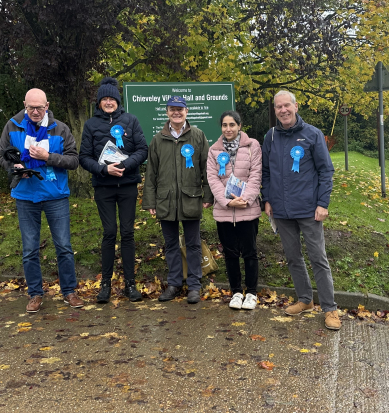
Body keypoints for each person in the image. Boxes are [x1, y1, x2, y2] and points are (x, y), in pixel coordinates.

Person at [0, 88, 83, 314]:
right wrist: (14, 168)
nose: (35, 112)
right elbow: (2, 157)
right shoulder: (12, 126)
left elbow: (74, 161)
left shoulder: (61, 129)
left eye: (40, 107)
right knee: (29, 249)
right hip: (26, 196)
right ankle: (35, 294)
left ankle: (69, 291)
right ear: (24, 105)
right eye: (31, 107)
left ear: (47, 105)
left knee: (64, 247)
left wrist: (48, 158)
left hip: (55, 195)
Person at [261, 90, 341, 330]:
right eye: (278, 107)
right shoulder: (271, 136)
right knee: (293, 257)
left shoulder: (313, 135)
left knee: (318, 258)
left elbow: (326, 171)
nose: (283, 110)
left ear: (296, 107)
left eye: (287, 106)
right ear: (274, 111)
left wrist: (323, 203)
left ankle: (330, 308)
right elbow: (266, 171)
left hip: (309, 209)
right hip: (282, 210)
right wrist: (267, 199)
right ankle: (305, 300)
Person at [80, 77, 149, 303]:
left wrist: (126, 165)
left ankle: (130, 284)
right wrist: (103, 170)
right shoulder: (90, 125)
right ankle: (106, 284)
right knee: (109, 232)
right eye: (104, 99)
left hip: (128, 185)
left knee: (127, 233)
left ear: (118, 101)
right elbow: (84, 157)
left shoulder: (131, 120)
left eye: (112, 99)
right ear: (99, 102)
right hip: (104, 187)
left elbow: (142, 149)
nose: (108, 102)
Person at [141, 95, 213, 304]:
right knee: (171, 244)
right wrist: (150, 201)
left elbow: (207, 168)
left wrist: (207, 195)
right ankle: (174, 284)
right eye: (172, 109)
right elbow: (151, 172)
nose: (176, 112)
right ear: (167, 112)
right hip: (166, 200)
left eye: (180, 109)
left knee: (193, 244)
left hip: (191, 199)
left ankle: (194, 286)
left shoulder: (198, 136)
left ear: (186, 112)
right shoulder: (157, 139)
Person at [207, 110, 262, 310]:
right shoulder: (213, 150)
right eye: (224, 125)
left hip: (248, 209)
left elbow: (256, 175)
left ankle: (252, 293)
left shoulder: (252, 146)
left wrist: (245, 199)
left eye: (232, 125)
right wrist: (227, 202)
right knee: (230, 253)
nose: (228, 129)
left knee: (250, 252)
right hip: (224, 211)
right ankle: (236, 292)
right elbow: (212, 179)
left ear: (239, 126)